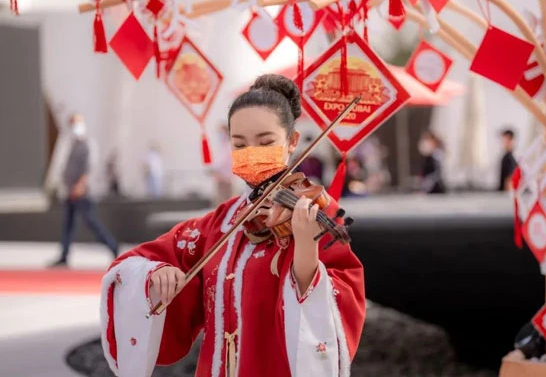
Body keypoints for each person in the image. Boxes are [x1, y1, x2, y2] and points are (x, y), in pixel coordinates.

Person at [99, 74, 366, 377]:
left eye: (265, 142)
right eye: (239, 144)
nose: (251, 153)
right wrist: (157, 273)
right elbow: (136, 261)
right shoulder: (222, 220)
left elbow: (336, 306)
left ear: (291, 142)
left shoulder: (316, 211)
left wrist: (306, 247)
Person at [50, 114, 119, 267]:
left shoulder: (87, 144)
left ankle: (112, 246)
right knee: (68, 224)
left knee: (91, 222)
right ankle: (64, 255)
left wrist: (80, 186)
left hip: (81, 192)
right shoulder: (72, 144)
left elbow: (89, 168)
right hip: (70, 192)